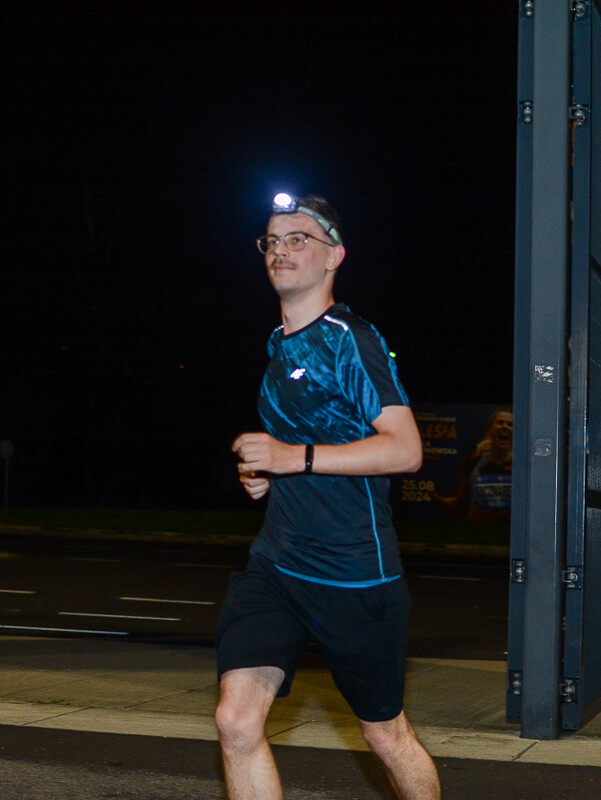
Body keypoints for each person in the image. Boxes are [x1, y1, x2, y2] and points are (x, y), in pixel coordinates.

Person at [216, 193, 441, 799]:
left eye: (298, 239)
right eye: (272, 241)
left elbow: (406, 450)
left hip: (353, 575)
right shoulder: (278, 345)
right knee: (236, 721)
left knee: (384, 735)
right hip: (276, 566)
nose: (281, 250)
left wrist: (294, 458)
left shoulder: (350, 339)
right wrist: (266, 475)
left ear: (334, 256)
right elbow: (298, 448)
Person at [431, 406, 513, 522]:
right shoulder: (472, 464)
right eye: (500, 422)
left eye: (510, 424)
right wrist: (440, 501)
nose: (505, 427)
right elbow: (462, 503)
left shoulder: (522, 468)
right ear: (490, 430)